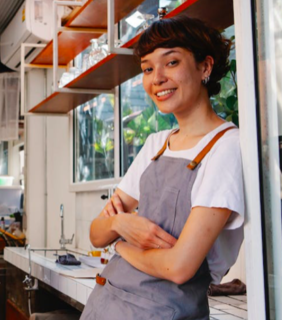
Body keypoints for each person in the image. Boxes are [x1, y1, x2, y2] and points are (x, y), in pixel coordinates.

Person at [81, 16, 244, 320]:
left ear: (205, 67)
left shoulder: (227, 147)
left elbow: (179, 267)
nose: (156, 78)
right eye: (147, 68)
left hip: (162, 312)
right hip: (105, 303)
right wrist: (120, 226)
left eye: (171, 62)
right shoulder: (157, 144)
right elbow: (96, 233)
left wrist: (123, 247)